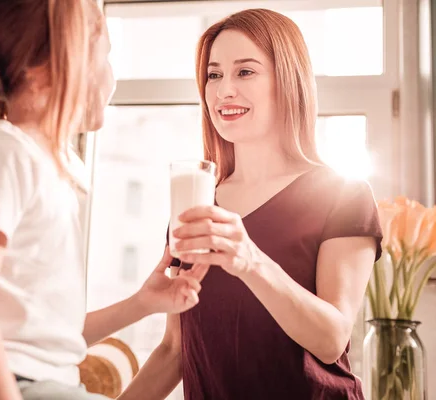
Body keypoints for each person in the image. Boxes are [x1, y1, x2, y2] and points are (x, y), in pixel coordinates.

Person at [0, 1, 207, 399]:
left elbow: (46, 339)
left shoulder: (53, 172)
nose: (112, 77)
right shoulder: (6, 154)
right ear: (41, 72)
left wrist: (142, 304)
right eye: (105, 57)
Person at [118, 8, 382, 400]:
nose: (224, 90)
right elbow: (175, 350)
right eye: (214, 74)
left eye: (245, 71)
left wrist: (250, 261)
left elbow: (331, 337)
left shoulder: (344, 195)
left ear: (287, 81)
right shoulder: (198, 203)